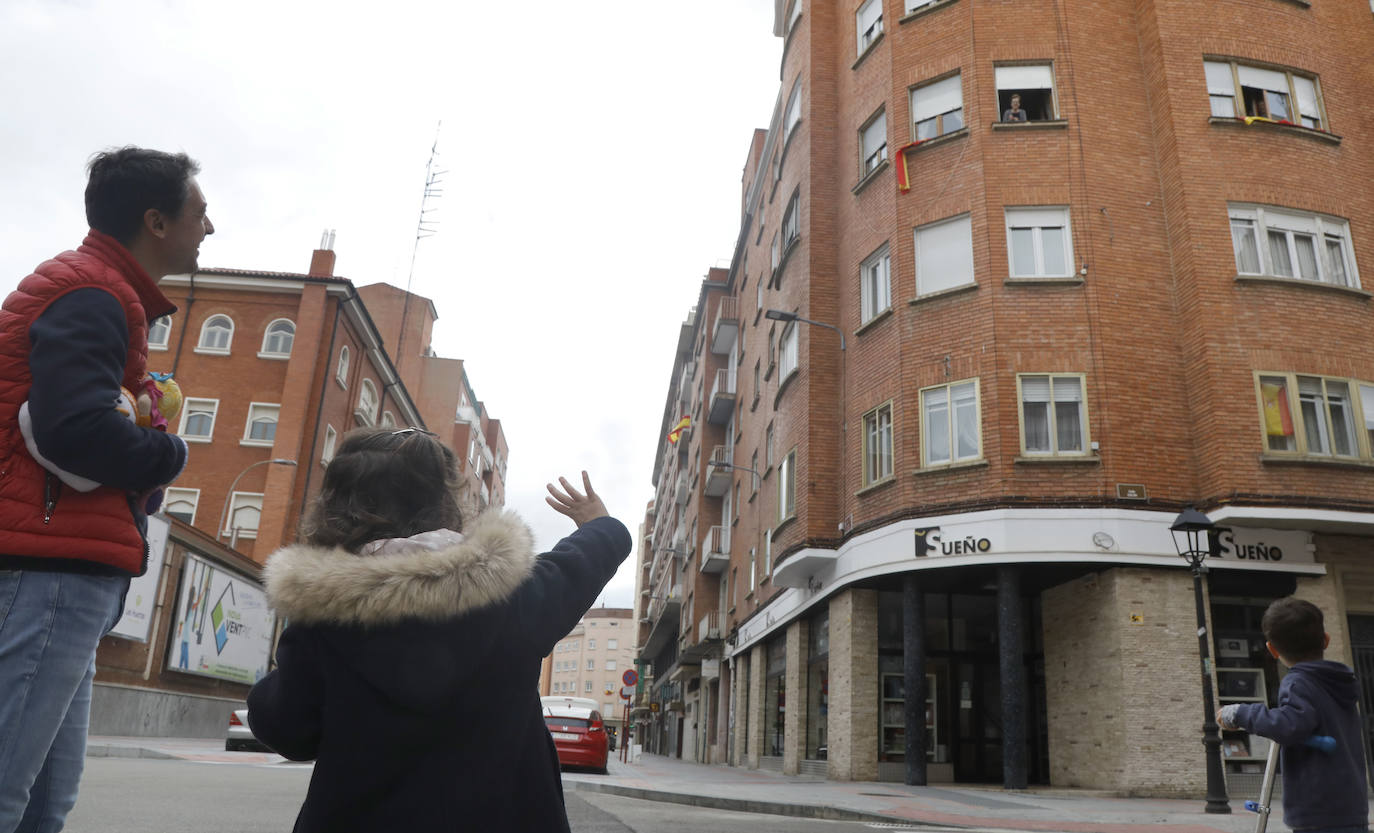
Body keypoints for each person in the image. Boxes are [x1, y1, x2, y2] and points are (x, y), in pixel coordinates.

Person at [246, 427, 633, 832]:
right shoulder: (514, 597)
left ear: (338, 504)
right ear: (444, 499)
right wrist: (600, 524)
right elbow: (579, 562)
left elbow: (288, 731)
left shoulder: (323, 616)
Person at [0, 147, 205, 832]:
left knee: (42, 803)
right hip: (49, 568)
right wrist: (168, 451)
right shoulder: (93, 293)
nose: (209, 228)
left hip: (62, 570)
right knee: (9, 793)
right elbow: (75, 430)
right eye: (198, 213)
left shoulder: (98, 290)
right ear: (155, 220)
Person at [1217, 597, 1367, 833]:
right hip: (1350, 805)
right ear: (1326, 640)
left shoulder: (1298, 682)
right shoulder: (1340, 681)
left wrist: (1240, 713)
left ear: (1272, 650)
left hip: (1319, 807)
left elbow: (1290, 725)